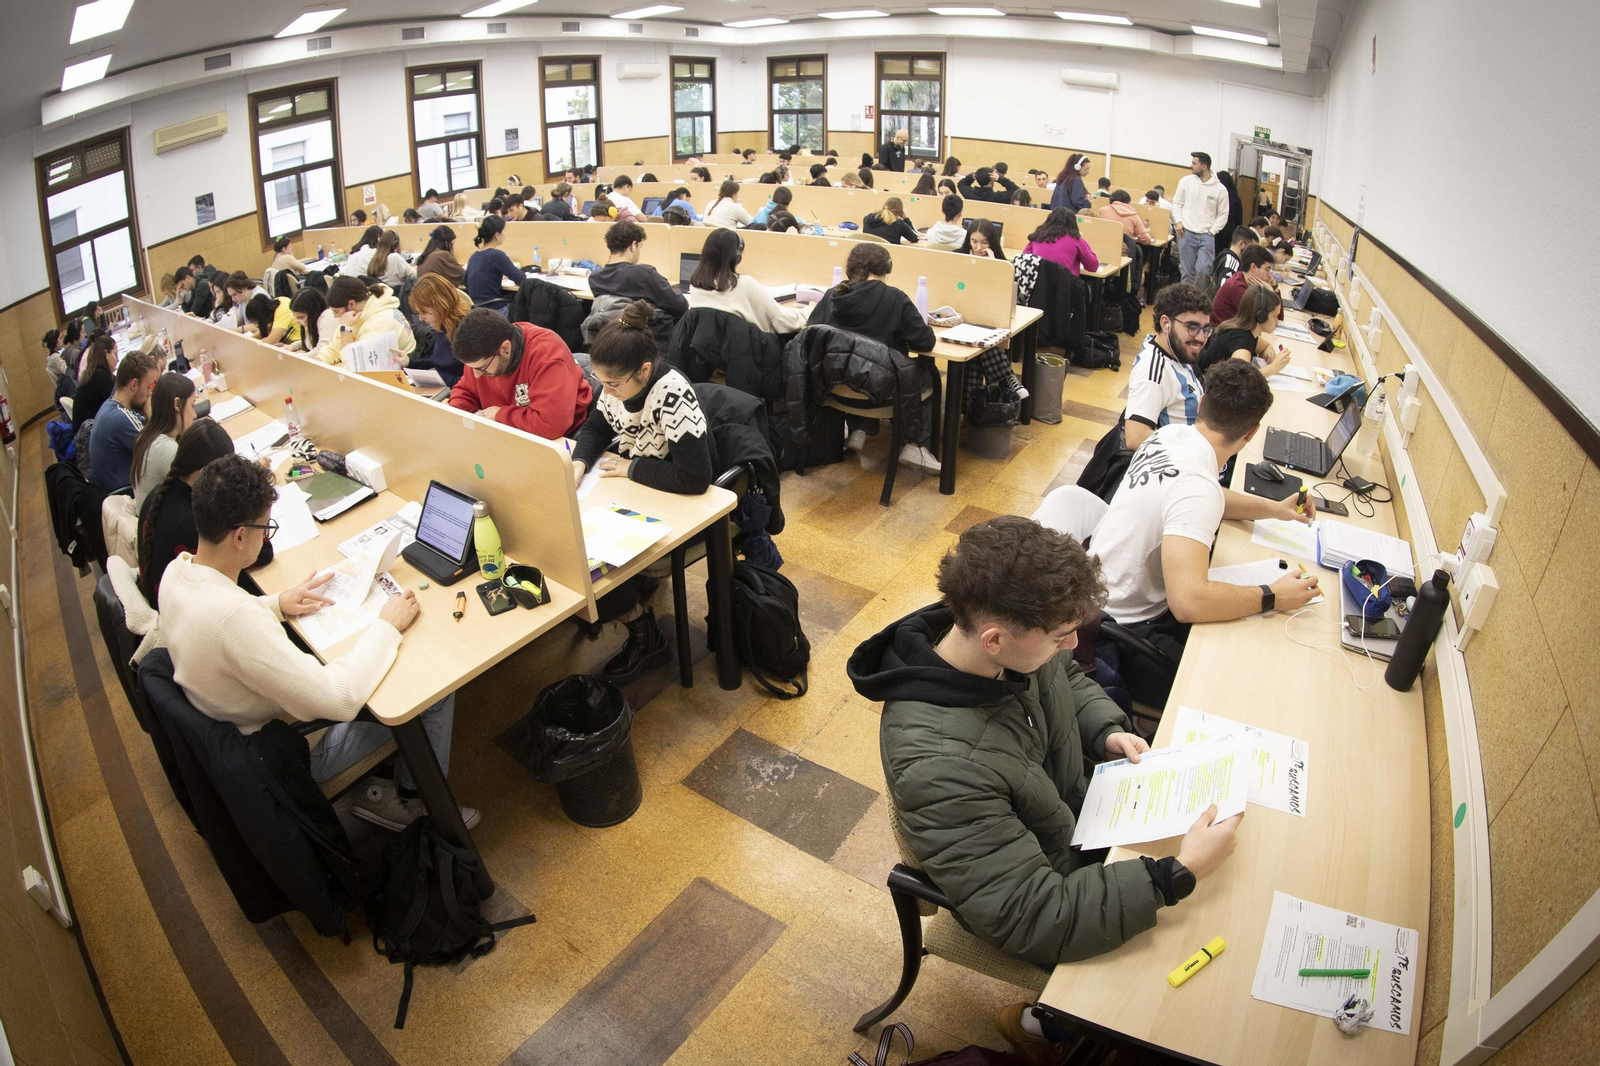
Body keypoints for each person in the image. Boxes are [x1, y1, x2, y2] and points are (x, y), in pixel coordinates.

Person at [851, 515, 1243, 1057]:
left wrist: (1106, 731)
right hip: (1042, 900)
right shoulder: (941, 766)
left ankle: (1054, 1025)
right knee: (1193, 1000)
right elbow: (1033, 914)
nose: (1075, 644)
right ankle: (1060, 1026)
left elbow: (1069, 680)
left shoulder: (1008, 643)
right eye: (1063, 636)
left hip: (1080, 831)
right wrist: (1178, 874)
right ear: (994, 639)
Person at [158, 454, 472, 832]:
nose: (266, 537)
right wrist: (386, 626)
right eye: (265, 528)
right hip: (292, 751)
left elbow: (213, 616)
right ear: (240, 535)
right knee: (432, 690)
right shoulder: (235, 621)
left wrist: (275, 602)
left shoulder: (178, 572)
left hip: (237, 726)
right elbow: (338, 698)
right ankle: (414, 806)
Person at [1091, 359, 1319, 706]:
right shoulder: (1198, 490)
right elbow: (1188, 603)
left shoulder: (1170, 435)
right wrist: (1273, 595)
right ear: (1251, 433)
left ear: (1201, 403)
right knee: (1238, 676)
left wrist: (1274, 509)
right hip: (1121, 632)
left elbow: (1203, 497)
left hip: (1096, 595)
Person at [569, 300, 713, 681]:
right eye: (602, 383)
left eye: (613, 384)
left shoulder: (672, 394)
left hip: (675, 502)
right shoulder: (615, 384)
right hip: (637, 490)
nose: (607, 391)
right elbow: (597, 427)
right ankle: (617, 605)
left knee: (588, 554)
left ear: (644, 371)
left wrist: (632, 468)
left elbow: (695, 478)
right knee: (568, 534)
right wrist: (580, 463)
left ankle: (641, 628)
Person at [807, 243, 941, 473]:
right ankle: (913, 444)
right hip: (880, 393)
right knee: (926, 374)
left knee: (863, 366)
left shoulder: (832, 295)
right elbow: (925, 342)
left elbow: (812, 331)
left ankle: (859, 428)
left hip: (836, 389)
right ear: (885, 268)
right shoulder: (894, 298)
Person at [447, 308, 591, 438]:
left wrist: (500, 414)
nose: (476, 375)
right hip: (508, 430)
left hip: (558, 439)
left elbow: (550, 426)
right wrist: (450, 416)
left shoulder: (547, 356)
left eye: (482, 368)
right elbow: (466, 390)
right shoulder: (482, 357)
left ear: (505, 349)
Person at [1122, 283, 1213, 452]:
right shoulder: (1153, 370)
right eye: (1192, 328)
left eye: (1206, 329)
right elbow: (1135, 437)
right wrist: (1196, 451)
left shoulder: (1177, 351)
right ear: (1166, 324)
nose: (1200, 338)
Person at [687, 229, 809, 333]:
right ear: (737, 257)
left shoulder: (696, 285)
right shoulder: (744, 284)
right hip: (749, 355)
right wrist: (808, 311)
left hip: (710, 356)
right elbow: (785, 322)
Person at [89, 348, 162, 492]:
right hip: (127, 494)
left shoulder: (111, 404)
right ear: (134, 384)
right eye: (148, 387)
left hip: (112, 491)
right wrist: (152, 414)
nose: (149, 394)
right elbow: (159, 450)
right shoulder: (120, 418)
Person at [589, 220, 689, 322]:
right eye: (640, 247)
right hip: (646, 334)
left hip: (611, 334)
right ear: (633, 245)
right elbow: (680, 306)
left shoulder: (595, 279)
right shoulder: (643, 273)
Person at [129, 372, 197, 506]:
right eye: (192, 405)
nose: (194, 415)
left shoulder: (146, 435)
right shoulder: (166, 449)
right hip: (161, 523)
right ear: (177, 404)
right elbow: (196, 495)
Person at [316, 277, 417, 366]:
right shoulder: (351, 316)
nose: (335, 316)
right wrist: (316, 363)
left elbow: (354, 368)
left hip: (400, 378)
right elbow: (334, 349)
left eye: (336, 312)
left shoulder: (380, 322)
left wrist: (345, 330)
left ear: (351, 304)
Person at [1199, 285, 1292, 378]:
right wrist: (1273, 368)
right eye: (1275, 316)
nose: (1277, 321)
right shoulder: (1242, 340)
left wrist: (1269, 352)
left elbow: (1266, 346)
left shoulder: (1245, 331)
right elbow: (1241, 379)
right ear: (1261, 316)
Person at [1171, 151, 1229, 287]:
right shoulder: (1185, 181)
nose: (1191, 166)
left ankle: (1199, 301)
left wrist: (1212, 231)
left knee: (1204, 271)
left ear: (1204, 166)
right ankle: (1186, 303)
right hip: (1186, 233)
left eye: (1194, 163)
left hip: (1206, 236)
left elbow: (1223, 214)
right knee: (1187, 272)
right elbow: (1177, 203)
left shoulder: (1220, 189)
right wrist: (1178, 221)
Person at [406, 274, 471, 388]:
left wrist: (441, 378)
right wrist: (409, 363)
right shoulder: (441, 325)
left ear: (441, 306)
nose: (421, 318)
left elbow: (474, 382)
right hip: (446, 387)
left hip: (459, 392)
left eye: (425, 312)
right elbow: (437, 361)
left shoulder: (466, 331)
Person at [463, 215, 524, 308]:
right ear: (497, 235)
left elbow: (465, 281)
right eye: (504, 230)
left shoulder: (473, 256)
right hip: (495, 309)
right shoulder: (497, 255)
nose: (505, 233)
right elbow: (521, 279)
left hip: (477, 310)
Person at [1210, 243, 1276, 326]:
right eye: (1267, 269)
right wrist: (1270, 292)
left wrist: (1275, 287)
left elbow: (1277, 318)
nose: (1270, 275)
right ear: (1253, 267)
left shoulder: (1246, 282)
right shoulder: (1238, 288)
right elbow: (1265, 320)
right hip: (1222, 334)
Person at [1023, 209, 1100, 276]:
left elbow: (1024, 258)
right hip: (1064, 288)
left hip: (1038, 286)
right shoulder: (1076, 239)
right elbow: (1093, 266)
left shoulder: (1038, 236)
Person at [71, 334, 116, 436]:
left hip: (86, 434)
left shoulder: (94, 372)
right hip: (89, 440)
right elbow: (122, 399)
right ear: (106, 354)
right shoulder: (99, 377)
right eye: (115, 354)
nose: (117, 359)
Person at [288, 288, 337, 357]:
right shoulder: (315, 319)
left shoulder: (327, 317)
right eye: (295, 317)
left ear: (313, 312)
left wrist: (299, 358)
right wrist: (292, 346)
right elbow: (311, 341)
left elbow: (323, 349)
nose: (298, 321)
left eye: (301, 317)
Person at [1213, 169, 1244, 258]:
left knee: (1215, 251)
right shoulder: (1236, 196)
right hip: (1230, 229)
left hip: (1218, 228)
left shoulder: (1219, 193)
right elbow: (1239, 218)